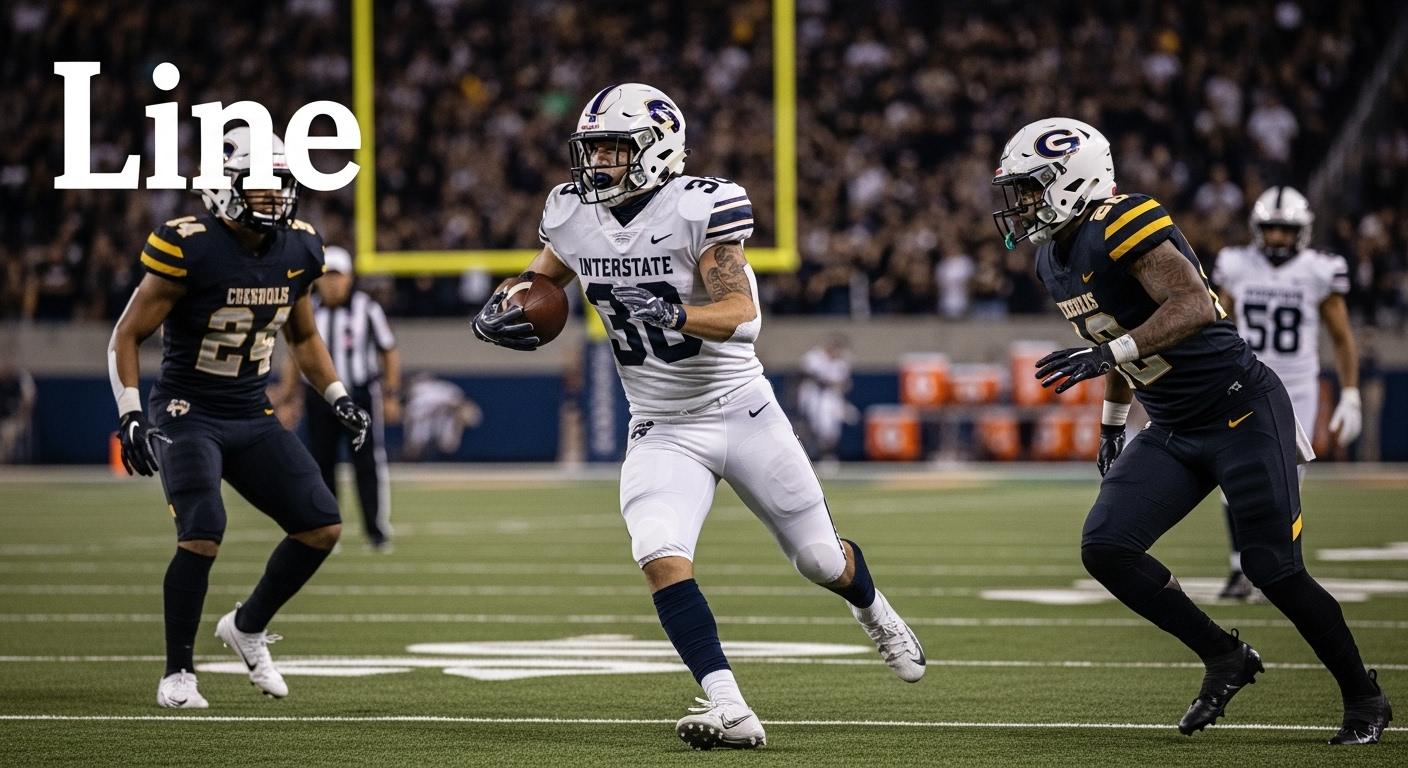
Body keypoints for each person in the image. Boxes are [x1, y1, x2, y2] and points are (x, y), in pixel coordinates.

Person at [471, 83, 925, 750]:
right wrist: (506, 304)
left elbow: (742, 314)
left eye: (613, 149)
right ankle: (730, 706)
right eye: (592, 148)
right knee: (658, 552)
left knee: (820, 559)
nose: (596, 162)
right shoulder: (571, 213)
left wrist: (675, 312)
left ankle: (875, 611)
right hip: (660, 422)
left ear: (656, 149)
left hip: (741, 409)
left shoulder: (701, 206)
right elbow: (539, 279)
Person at [991, 117, 1390, 745]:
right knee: (1107, 546)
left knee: (1273, 568)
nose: (1023, 204)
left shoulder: (1122, 219)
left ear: (1073, 179)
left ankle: (1364, 696)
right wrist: (1112, 425)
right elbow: (1115, 338)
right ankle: (1225, 655)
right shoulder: (1051, 259)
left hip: (1240, 410)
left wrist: (1109, 354)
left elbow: (1193, 305)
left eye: (1032, 187)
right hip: (1174, 424)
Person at [108, 127, 370, 710]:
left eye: (281, 183)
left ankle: (247, 626)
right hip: (187, 411)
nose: (276, 195)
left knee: (321, 525)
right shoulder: (189, 244)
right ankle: (179, 672)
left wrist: (337, 395)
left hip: (251, 410)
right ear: (222, 186)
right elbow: (126, 334)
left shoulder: (299, 247)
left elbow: (304, 336)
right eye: (261, 183)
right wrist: (130, 413)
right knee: (202, 529)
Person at [1212, 186, 1361, 599]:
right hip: (1244, 382)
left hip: (1296, 389)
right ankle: (1239, 568)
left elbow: (1342, 337)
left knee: (1285, 485)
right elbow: (1217, 324)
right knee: (1232, 477)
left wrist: (1351, 393)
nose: (1277, 237)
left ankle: (1280, 569)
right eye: (1270, 229)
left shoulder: (1319, 269)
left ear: (1302, 231)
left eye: (1285, 230)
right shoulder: (1236, 264)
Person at [277, 246, 400, 551]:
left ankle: (375, 530)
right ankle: (327, 529)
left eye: (338, 276)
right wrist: (288, 398)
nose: (332, 283)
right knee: (321, 464)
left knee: (367, 464)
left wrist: (390, 394)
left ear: (349, 278)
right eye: (327, 276)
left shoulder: (367, 308)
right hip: (319, 397)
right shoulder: (307, 309)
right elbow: (294, 357)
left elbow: (388, 351)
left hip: (359, 395)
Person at [796, 335, 856, 463]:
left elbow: (844, 384)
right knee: (817, 427)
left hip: (831, 398)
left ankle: (828, 456)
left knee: (833, 428)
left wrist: (834, 384)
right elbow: (802, 374)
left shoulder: (841, 363)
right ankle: (815, 455)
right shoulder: (814, 357)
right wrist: (823, 381)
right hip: (812, 396)